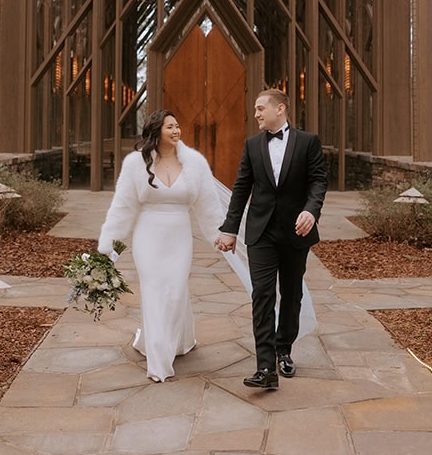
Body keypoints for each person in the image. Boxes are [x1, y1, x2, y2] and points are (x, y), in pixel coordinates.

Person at [98, 109, 223, 383]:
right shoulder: (134, 164)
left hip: (179, 236)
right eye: (170, 127)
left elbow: (208, 205)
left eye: (178, 126)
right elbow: (123, 206)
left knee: (176, 291)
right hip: (148, 236)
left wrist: (219, 235)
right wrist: (108, 245)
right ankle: (158, 361)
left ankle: (178, 340)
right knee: (154, 292)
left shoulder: (195, 163)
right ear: (156, 131)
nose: (177, 131)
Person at [216, 88, 327, 390]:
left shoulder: (308, 142)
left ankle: (284, 348)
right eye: (255, 109)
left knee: (291, 296)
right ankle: (265, 367)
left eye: (260, 108)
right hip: (260, 233)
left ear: (280, 108)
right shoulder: (252, 145)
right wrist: (229, 229)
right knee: (262, 296)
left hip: (296, 231)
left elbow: (318, 180)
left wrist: (311, 211)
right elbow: (241, 189)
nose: (256, 114)